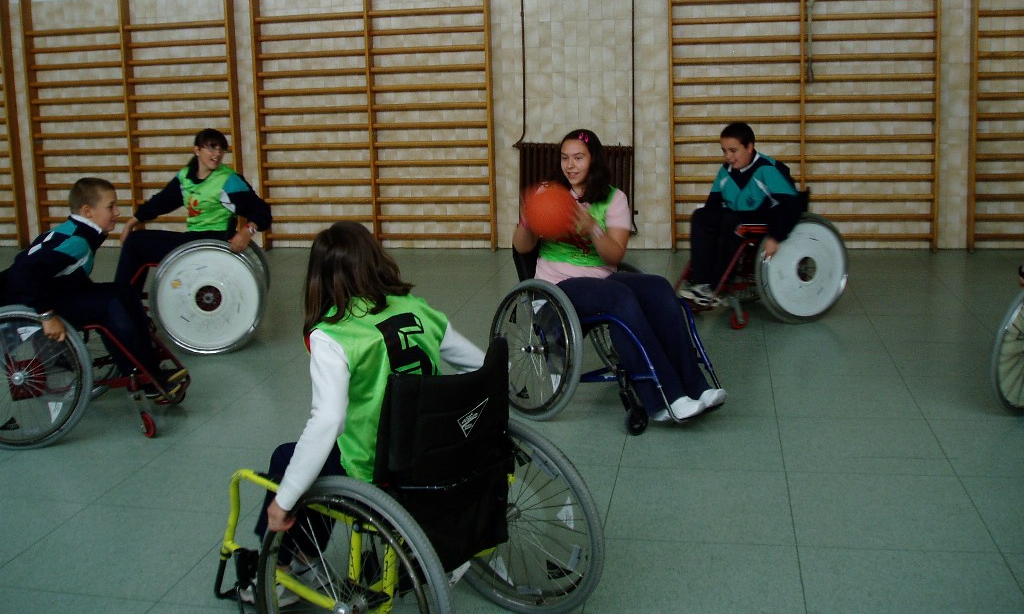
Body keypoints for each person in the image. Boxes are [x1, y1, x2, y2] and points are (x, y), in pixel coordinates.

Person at [243, 220, 484, 606]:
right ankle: (305, 557)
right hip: (438, 453)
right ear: (376, 260)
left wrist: (282, 501)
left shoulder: (333, 334)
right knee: (316, 457)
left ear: (318, 279)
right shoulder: (418, 309)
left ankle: (286, 570)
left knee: (290, 459)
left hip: (380, 467)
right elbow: (480, 369)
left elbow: (328, 422)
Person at [513, 128, 725, 422]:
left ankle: (696, 386)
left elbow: (614, 256)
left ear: (594, 160)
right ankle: (666, 398)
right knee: (619, 298)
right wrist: (529, 219)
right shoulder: (547, 193)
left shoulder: (614, 199)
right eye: (564, 158)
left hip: (602, 281)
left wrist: (592, 229)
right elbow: (521, 248)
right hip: (557, 289)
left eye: (578, 158)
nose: (570, 165)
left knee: (659, 288)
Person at [2, 178, 187, 397]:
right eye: (111, 206)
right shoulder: (78, 241)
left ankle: (146, 361)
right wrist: (46, 315)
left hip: (49, 292)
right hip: (28, 302)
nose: (117, 212)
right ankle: (140, 375)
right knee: (109, 306)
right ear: (88, 211)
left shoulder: (77, 230)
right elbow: (24, 272)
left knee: (124, 291)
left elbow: (68, 275)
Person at [114, 128, 272, 292]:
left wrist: (247, 231)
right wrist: (130, 223)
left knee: (134, 244)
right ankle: (127, 300)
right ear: (196, 150)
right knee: (136, 240)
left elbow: (261, 210)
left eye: (221, 149)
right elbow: (160, 202)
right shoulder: (186, 178)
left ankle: (120, 302)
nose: (217, 154)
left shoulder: (228, 180)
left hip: (214, 241)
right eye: (211, 147)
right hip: (192, 240)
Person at [680, 122, 802, 308]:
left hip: (765, 218)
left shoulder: (766, 169)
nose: (728, 156)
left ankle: (717, 287)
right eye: (724, 151)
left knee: (733, 222)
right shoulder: (725, 171)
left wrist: (776, 237)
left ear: (749, 147)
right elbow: (712, 205)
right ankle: (701, 281)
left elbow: (791, 206)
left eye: (733, 150)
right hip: (737, 217)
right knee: (701, 216)